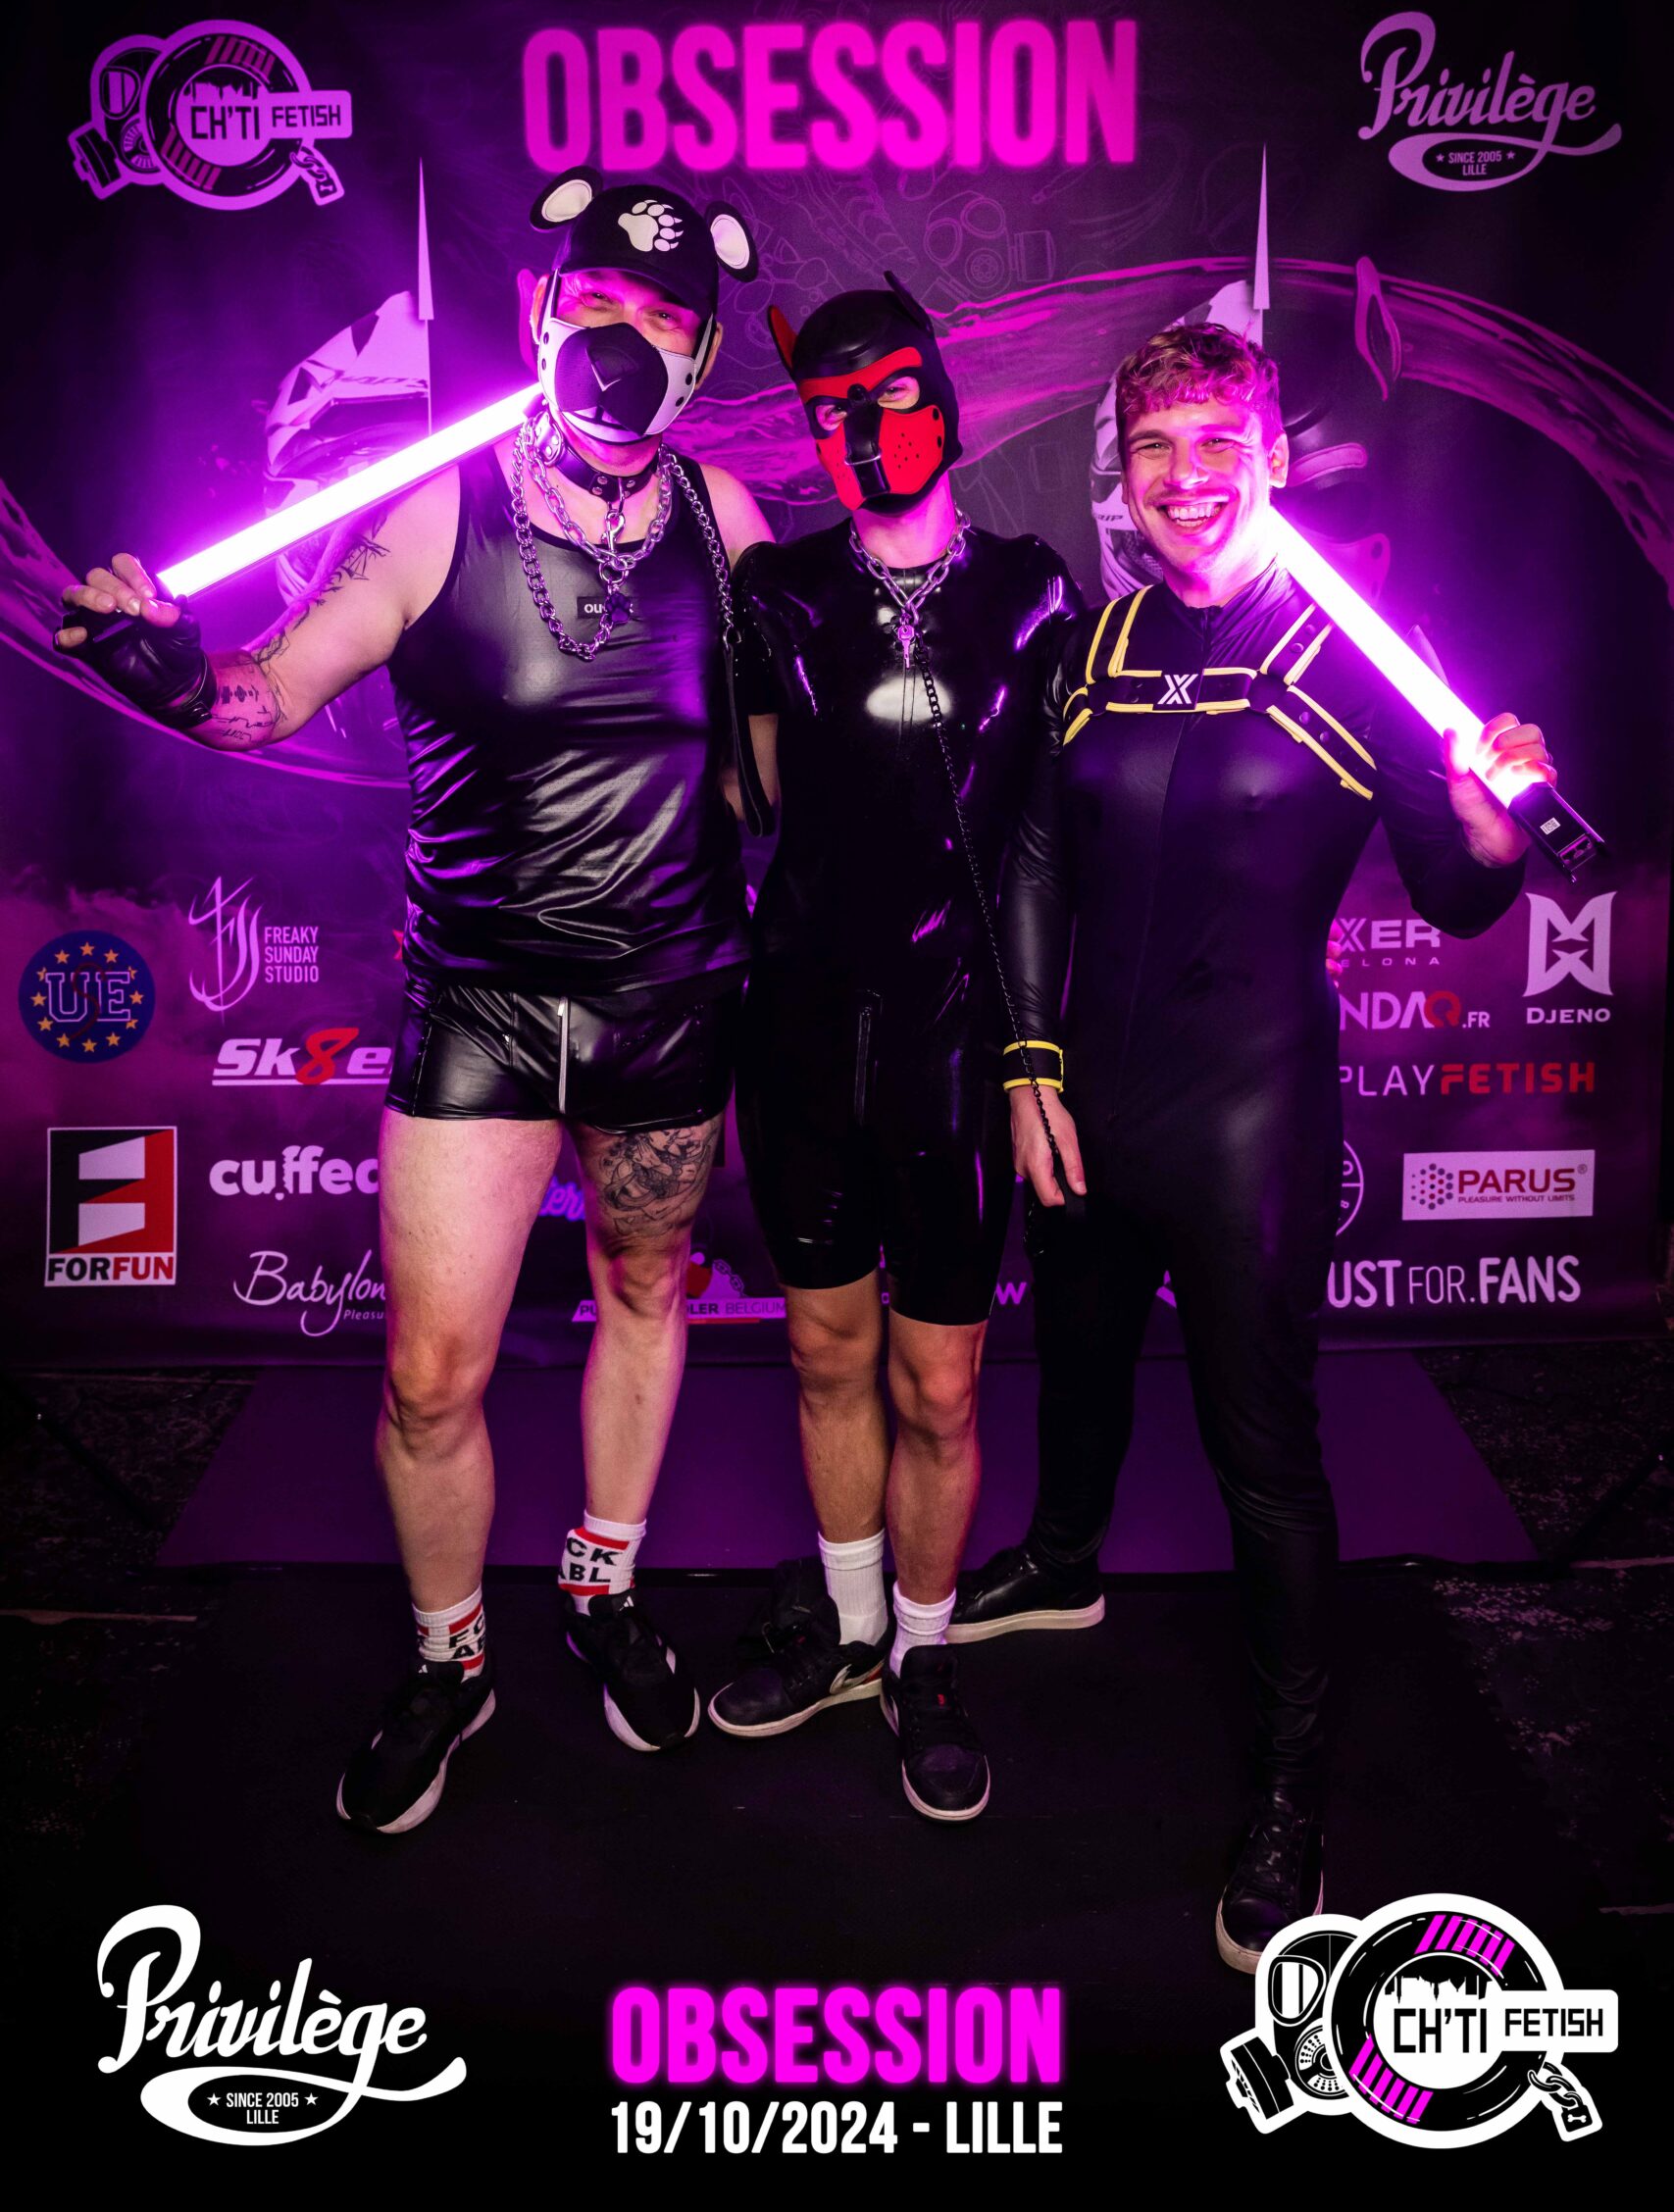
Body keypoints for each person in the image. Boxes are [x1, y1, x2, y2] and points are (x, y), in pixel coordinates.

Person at [54, 169, 772, 1834]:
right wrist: (167, 664)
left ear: (703, 353)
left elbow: (768, 771)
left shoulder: (729, 525)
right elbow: (266, 692)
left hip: (669, 1000)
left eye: (665, 320)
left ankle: (601, 1588)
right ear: (542, 312)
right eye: (601, 306)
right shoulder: (438, 512)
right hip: (485, 1007)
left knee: (643, 1299)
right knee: (431, 1378)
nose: (627, 343)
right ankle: (454, 1661)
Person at [953, 323, 1552, 1960]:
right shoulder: (1094, 643)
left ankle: (1293, 1789)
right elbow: (1033, 858)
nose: (1188, 477)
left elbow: (1461, 891)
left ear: (1273, 458)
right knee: (1075, 1353)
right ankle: (1061, 1560)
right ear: (1122, 474)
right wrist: (1029, 1064)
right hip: (1088, 1089)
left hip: (1249, 1109)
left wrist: (1491, 822)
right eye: (1155, 448)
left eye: (1219, 442)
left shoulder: (1359, 656)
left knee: (1263, 1455)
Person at [708, 276, 1082, 1823]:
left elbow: (1051, 837)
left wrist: (1034, 1052)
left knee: (939, 1386)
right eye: (829, 410)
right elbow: (749, 804)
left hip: (954, 1045)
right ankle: (855, 1629)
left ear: (945, 393)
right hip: (799, 1035)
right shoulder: (781, 594)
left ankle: (926, 1654)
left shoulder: (1034, 592)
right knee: (822, 1353)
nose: (865, 428)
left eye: (893, 393)